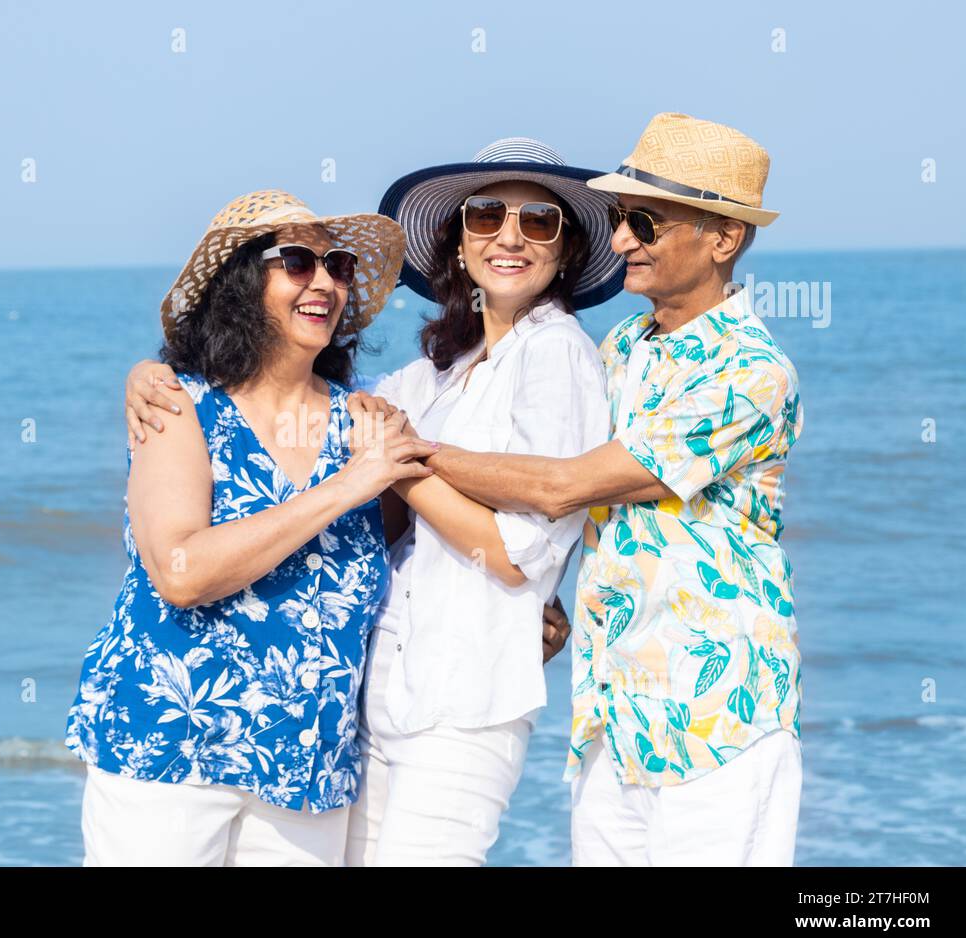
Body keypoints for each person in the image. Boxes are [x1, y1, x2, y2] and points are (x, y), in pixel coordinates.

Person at [124, 139, 626, 864]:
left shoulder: (557, 352)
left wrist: (405, 469)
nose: (509, 236)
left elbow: (518, 552)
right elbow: (331, 408)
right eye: (485, 216)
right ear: (458, 242)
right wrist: (148, 374)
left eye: (539, 222)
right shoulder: (435, 375)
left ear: (567, 249)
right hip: (377, 696)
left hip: (466, 697)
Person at [412, 114, 805, 866]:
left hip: (718, 719)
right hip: (611, 719)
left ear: (723, 238)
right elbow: (593, 515)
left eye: (646, 222)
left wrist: (406, 454)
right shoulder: (622, 346)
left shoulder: (751, 372)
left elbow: (562, 486)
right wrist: (549, 600)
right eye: (623, 219)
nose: (622, 240)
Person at [64, 190, 434, 866]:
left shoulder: (369, 423)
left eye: (339, 266)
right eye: (296, 261)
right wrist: (347, 486)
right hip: (171, 751)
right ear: (239, 282)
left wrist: (540, 604)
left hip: (310, 772)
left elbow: (421, 554)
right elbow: (183, 572)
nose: (324, 282)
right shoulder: (178, 405)